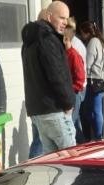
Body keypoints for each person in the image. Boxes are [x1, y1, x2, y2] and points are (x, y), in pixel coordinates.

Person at [22, 2, 76, 155]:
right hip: (54, 110)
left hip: (39, 111)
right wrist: (68, 103)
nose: (65, 22)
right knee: (71, 158)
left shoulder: (29, 40)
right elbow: (57, 75)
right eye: (61, 18)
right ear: (49, 16)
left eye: (67, 19)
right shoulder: (47, 39)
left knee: (52, 160)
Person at [79, 21, 104, 141]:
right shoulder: (102, 42)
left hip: (95, 81)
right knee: (94, 110)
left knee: (94, 110)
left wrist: (81, 76)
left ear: (87, 32)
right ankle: (97, 135)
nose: (82, 36)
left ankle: (98, 137)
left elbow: (88, 63)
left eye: (82, 33)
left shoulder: (93, 42)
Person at [66, 19, 88, 139]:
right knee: (75, 121)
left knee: (71, 122)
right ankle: (82, 143)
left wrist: (73, 88)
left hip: (76, 89)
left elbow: (80, 76)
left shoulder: (75, 48)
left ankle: (79, 145)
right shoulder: (73, 46)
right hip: (76, 88)